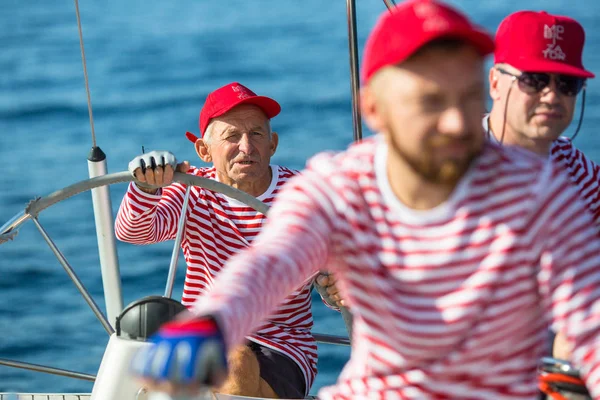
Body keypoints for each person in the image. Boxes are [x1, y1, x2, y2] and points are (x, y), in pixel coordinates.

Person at [130, 1, 600, 399]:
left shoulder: (545, 188)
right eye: (430, 100)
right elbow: (270, 265)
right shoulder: (339, 185)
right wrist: (214, 322)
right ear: (373, 107)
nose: (457, 121)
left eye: (466, 98)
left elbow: (585, 313)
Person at [115, 82, 319, 399]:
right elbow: (134, 232)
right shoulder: (190, 191)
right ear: (204, 151)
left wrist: (335, 285)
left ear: (273, 144)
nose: (247, 147)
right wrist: (146, 188)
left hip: (282, 342)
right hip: (206, 333)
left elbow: (344, 261)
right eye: (232, 137)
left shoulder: (305, 193)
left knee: (233, 363)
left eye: (257, 134)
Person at [486, 10, 598, 362]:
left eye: (567, 84)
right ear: (495, 83)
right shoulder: (444, 168)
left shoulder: (576, 171)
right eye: (534, 80)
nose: (552, 95)